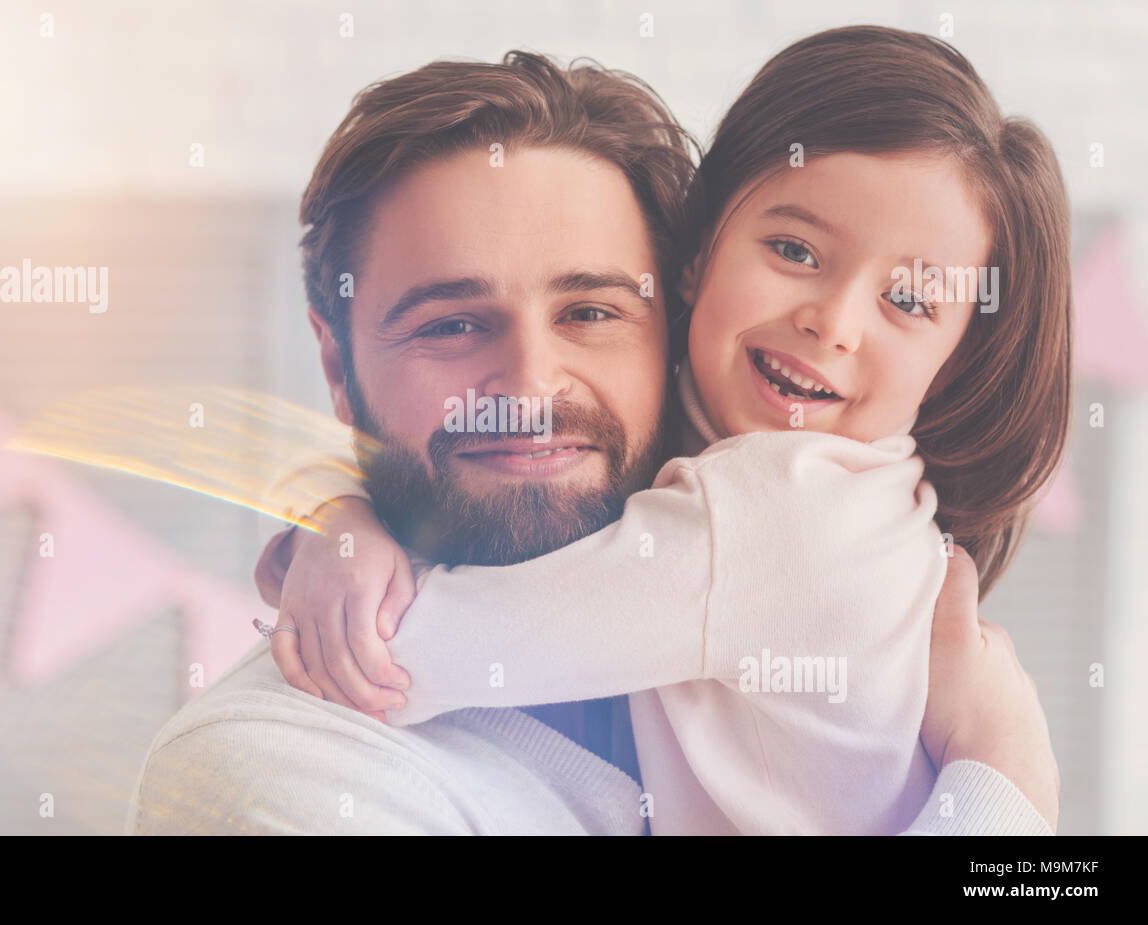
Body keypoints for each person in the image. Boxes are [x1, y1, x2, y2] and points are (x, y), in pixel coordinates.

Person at [128, 48, 1058, 836]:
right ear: (704, 269)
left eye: (591, 311)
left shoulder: (776, 509)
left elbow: (401, 648)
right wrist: (1004, 779)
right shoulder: (273, 774)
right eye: (452, 325)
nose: (532, 388)